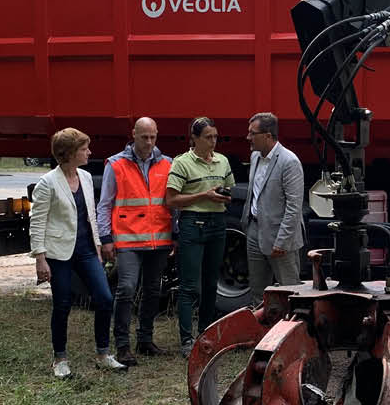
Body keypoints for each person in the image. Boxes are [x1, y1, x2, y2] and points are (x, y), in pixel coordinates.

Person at [30, 127, 126, 380]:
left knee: (105, 298)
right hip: (58, 252)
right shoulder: (47, 183)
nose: (89, 152)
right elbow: (37, 223)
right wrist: (40, 259)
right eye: (84, 149)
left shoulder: (84, 176)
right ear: (70, 153)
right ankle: (60, 358)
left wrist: (97, 245)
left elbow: (90, 215)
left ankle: (103, 354)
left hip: (85, 250)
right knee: (62, 305)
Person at [96, 117, 172, 366]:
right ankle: (122, 345)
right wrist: (106, 238)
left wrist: (176, 234)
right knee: (126, 289)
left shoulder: (167, 164)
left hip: (158, 240)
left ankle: (145, 340)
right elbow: (105, 204)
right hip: (128, 240)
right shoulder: (116, 164)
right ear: (134, 135)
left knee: (153, 290)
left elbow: (172, 204)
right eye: (144, 137)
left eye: (153, 137)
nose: (149, 142)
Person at [165, 116, 235, 357]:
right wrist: (203, 195)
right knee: (190, 286)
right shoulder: (182, 163)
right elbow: (171, 200)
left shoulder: (222, 161)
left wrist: (224, 196)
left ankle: (205, 334)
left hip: (217, 224)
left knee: (210, 283)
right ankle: (186, 340)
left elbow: (229, 190)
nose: (213, 142)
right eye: (208, 137)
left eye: (215, 137)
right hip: (192, 224)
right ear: (194, 139)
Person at [243, 111, 305, 304]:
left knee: (290, 292)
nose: (248, 138)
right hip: (255, 231)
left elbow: (294, 207)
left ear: (268, 136)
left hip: (280, 238)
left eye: (253, 133)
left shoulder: (289, 162)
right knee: (258, 293)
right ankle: (260, 332)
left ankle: (291, 332)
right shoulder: (255, 157)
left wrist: (282, 241)